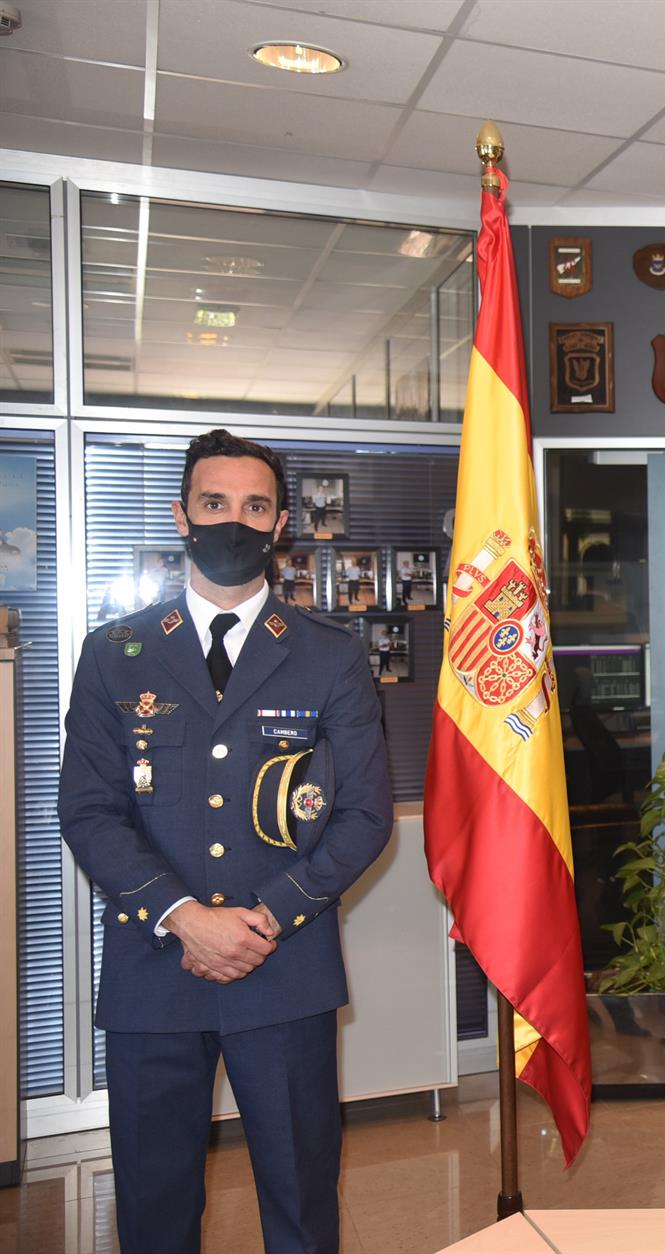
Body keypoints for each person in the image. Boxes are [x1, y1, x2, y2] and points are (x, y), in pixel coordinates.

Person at [58, 429, 394, 1254]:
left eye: (253, 506)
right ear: (182, 515)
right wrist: (182, 915)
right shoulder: (115, 656)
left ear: (282, 524)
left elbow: (363, 814)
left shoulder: (330, 657)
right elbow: (89, 810)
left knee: (303, 1208)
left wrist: (268, 919)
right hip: (152, 974)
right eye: (214, 503)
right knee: (154, 1210)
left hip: (283, 975)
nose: (232, 522)